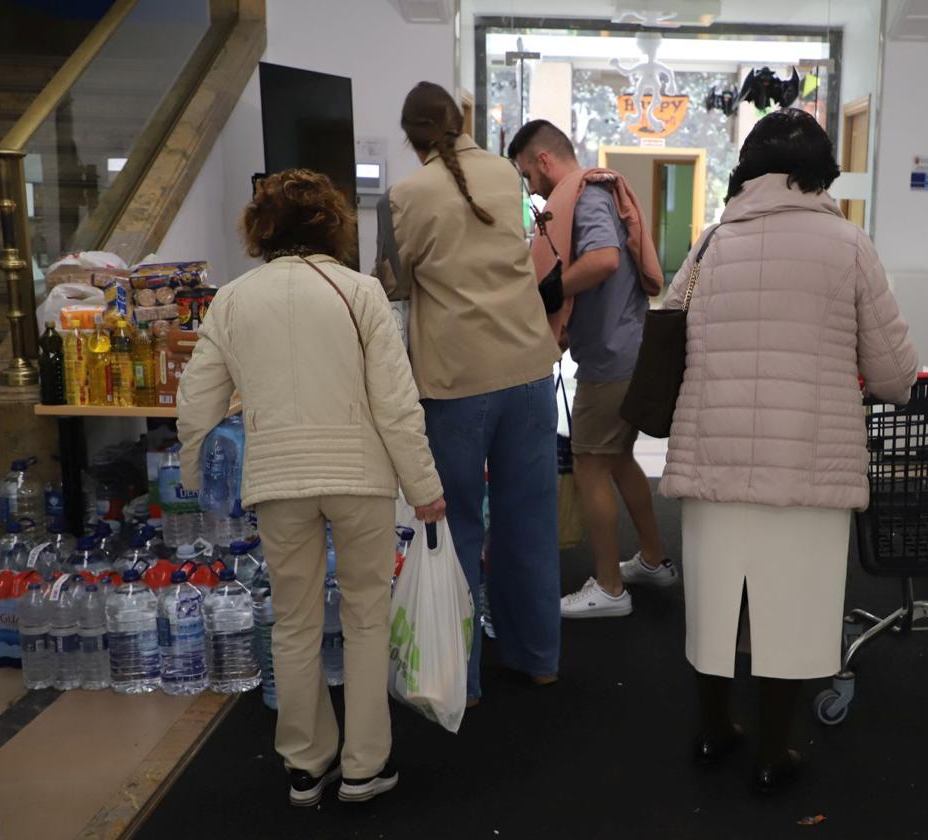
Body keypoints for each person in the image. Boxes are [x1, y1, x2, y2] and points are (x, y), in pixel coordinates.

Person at [657, 109, 917, 793]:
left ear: (747, 169)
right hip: (810, 461)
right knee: (792, 608)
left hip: (713, 459)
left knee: (717, 606)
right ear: (821, 172)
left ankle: (713, 730)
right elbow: (894, 375)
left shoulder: (710, 244)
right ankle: (774, 753)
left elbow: (665, 329)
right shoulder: (850, 244)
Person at [177, 169, 445, 808]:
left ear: (259, 228)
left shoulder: (233, 301)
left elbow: (196, 403)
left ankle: (305, 765)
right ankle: (363, 766)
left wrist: (196, 477)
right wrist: (425, 486)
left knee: (293, 623)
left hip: (277, 480)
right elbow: (396, 404)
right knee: (365, 618)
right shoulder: (361, 293)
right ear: (333, 224)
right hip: (359, 477)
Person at [375, 82, 562, 705]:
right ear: (460, 121)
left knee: (455, 526)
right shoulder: (508, 174)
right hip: (531, 369)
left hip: (456, 382)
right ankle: (539, 659)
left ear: (411, 136)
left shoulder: (405, 195)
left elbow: (393, 285)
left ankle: (464, 679)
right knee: (528, 520)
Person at [507, 120, 676, 618]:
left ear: (543, 161)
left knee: (588, 463)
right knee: (618, 458)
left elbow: (602, 259)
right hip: (623, 349)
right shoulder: (586, 195)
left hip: (610, 355)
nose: (530, 188)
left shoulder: (586, 197)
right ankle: (652, 558)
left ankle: (608, 588)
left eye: (526, 174)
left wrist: (553, 289)